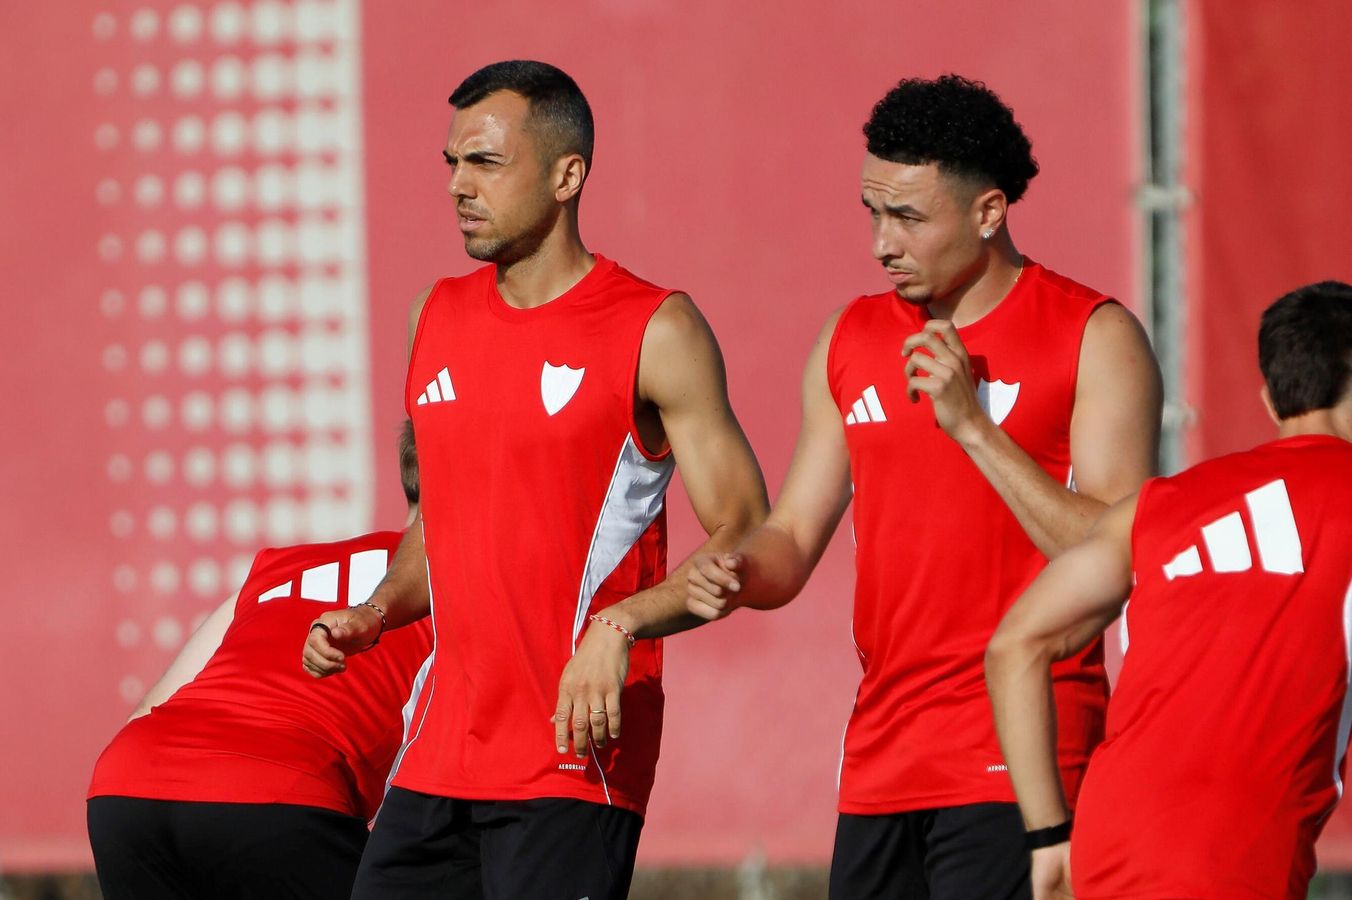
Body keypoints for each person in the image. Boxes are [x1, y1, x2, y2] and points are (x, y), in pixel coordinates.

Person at [677, 75, 1163, 899]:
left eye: (907, 216)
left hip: (1024, 757)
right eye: (872, 212)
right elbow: (793, 538)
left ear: (988, 212)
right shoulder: (851, 336)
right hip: (881, 760)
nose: (880, 242)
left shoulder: (1094, 335)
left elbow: (1122, 553)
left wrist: (975, 429)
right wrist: (734, 571)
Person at [300, 60, 767, 900]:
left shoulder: (656, 328)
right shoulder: (432, 315)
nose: (457, 185)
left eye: (484, 162)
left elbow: (746, 533)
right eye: (450, 163)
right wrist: (373, 612)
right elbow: (436, 529)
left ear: (566, 175)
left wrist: (620, 625)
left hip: (572, 756)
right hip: (436, 757)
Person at [986, 281, 1352, 900]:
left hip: (1109, 843)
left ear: (1270, 399)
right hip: (1236, 855)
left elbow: (1014, 646)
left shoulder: (1157, 505)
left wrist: (1048, 837)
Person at [86, 423, 434, 900]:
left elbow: (149, 709)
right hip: (277, 791)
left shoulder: (280, 565)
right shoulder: (467, 582)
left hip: (128, 783)